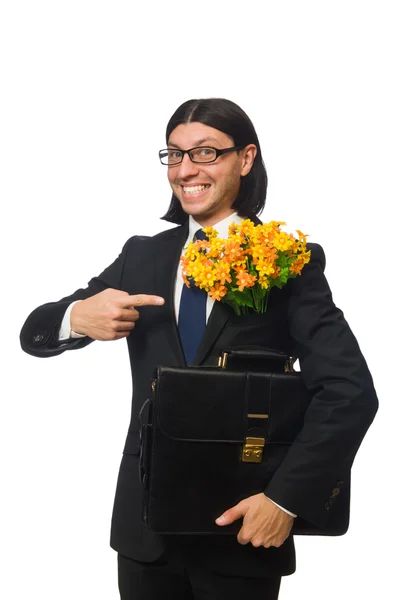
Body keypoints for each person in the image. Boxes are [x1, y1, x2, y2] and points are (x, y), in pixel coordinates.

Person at [20, 98, 378, 600]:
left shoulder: (289, 260)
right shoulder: (142, 255)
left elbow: (349, 392)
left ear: (245, 159)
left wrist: (286, 500)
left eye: (206, 153)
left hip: (242, 526)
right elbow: (33, 333)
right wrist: (73, 318)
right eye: (174, 154)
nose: (186, 169)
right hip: (145, 533)